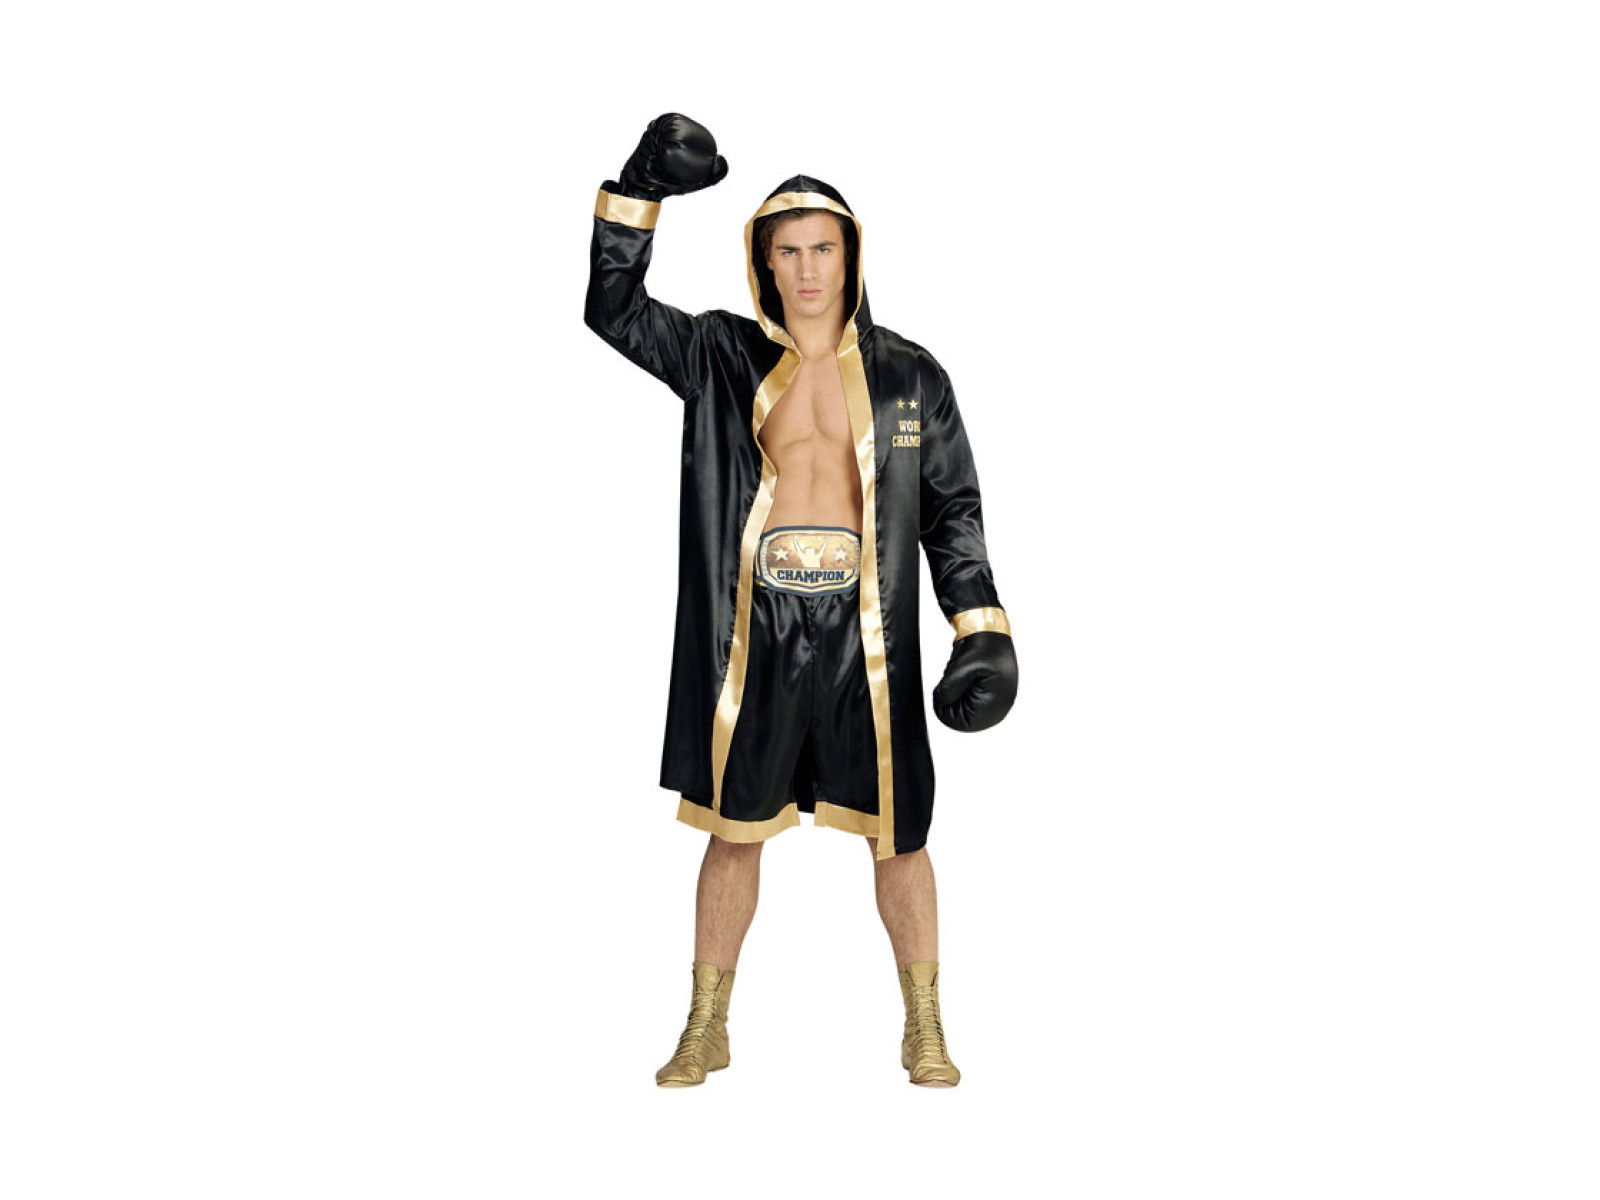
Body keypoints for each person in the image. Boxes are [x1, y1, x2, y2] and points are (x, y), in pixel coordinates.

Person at [584, 113, 1017, 1087]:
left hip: (871, 637)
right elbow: (614, 311)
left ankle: (925, 1024)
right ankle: (706, 1024)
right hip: (756, 632)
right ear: (763, 261)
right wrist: (636, 194)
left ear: (850, 254)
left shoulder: (911, 375)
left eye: (823, 247)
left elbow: (951, 511)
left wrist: (980, 628)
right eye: (788, 250)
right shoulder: (718, 353)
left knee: (901, 839)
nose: (808, 268)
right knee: (731, 834)